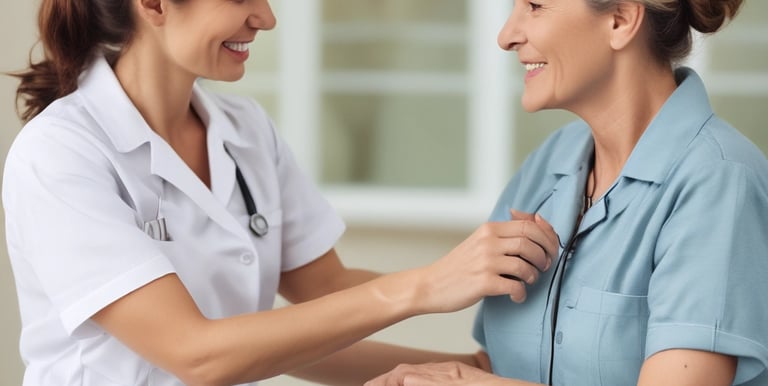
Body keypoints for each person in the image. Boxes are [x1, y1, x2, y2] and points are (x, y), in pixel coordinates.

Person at [2, 0, 562, 385]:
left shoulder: (246, 130)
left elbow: (325, 299)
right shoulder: (61, 152)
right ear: (154, 4)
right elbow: (195, 354)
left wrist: (470, 367)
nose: (266, 17)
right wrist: (428, 285)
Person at [365, 0, 768, 385]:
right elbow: (499, 367)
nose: (506, 36)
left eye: (535, 6)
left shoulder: (718, 182)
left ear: (620, 20)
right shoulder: (552, 162)